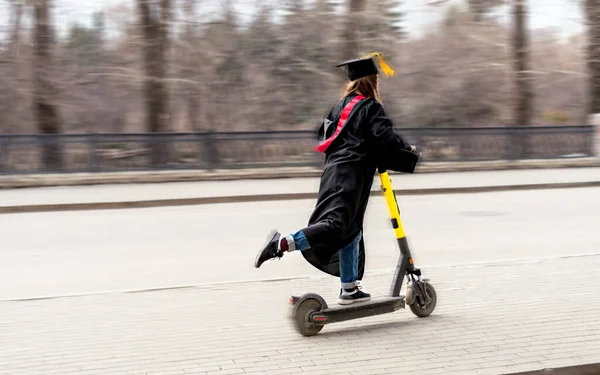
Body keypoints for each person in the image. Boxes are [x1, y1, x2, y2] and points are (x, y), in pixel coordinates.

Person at [254, 52, 419, 305]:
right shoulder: (371, 107)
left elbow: (329, 137)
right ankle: (282, 243)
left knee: (350, 229)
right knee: (337, 225)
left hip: (333, 172)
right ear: (372, 81)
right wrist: (407, 152)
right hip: (352, 176)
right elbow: (385, 140)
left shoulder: (339, 107)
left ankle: (349, 288)